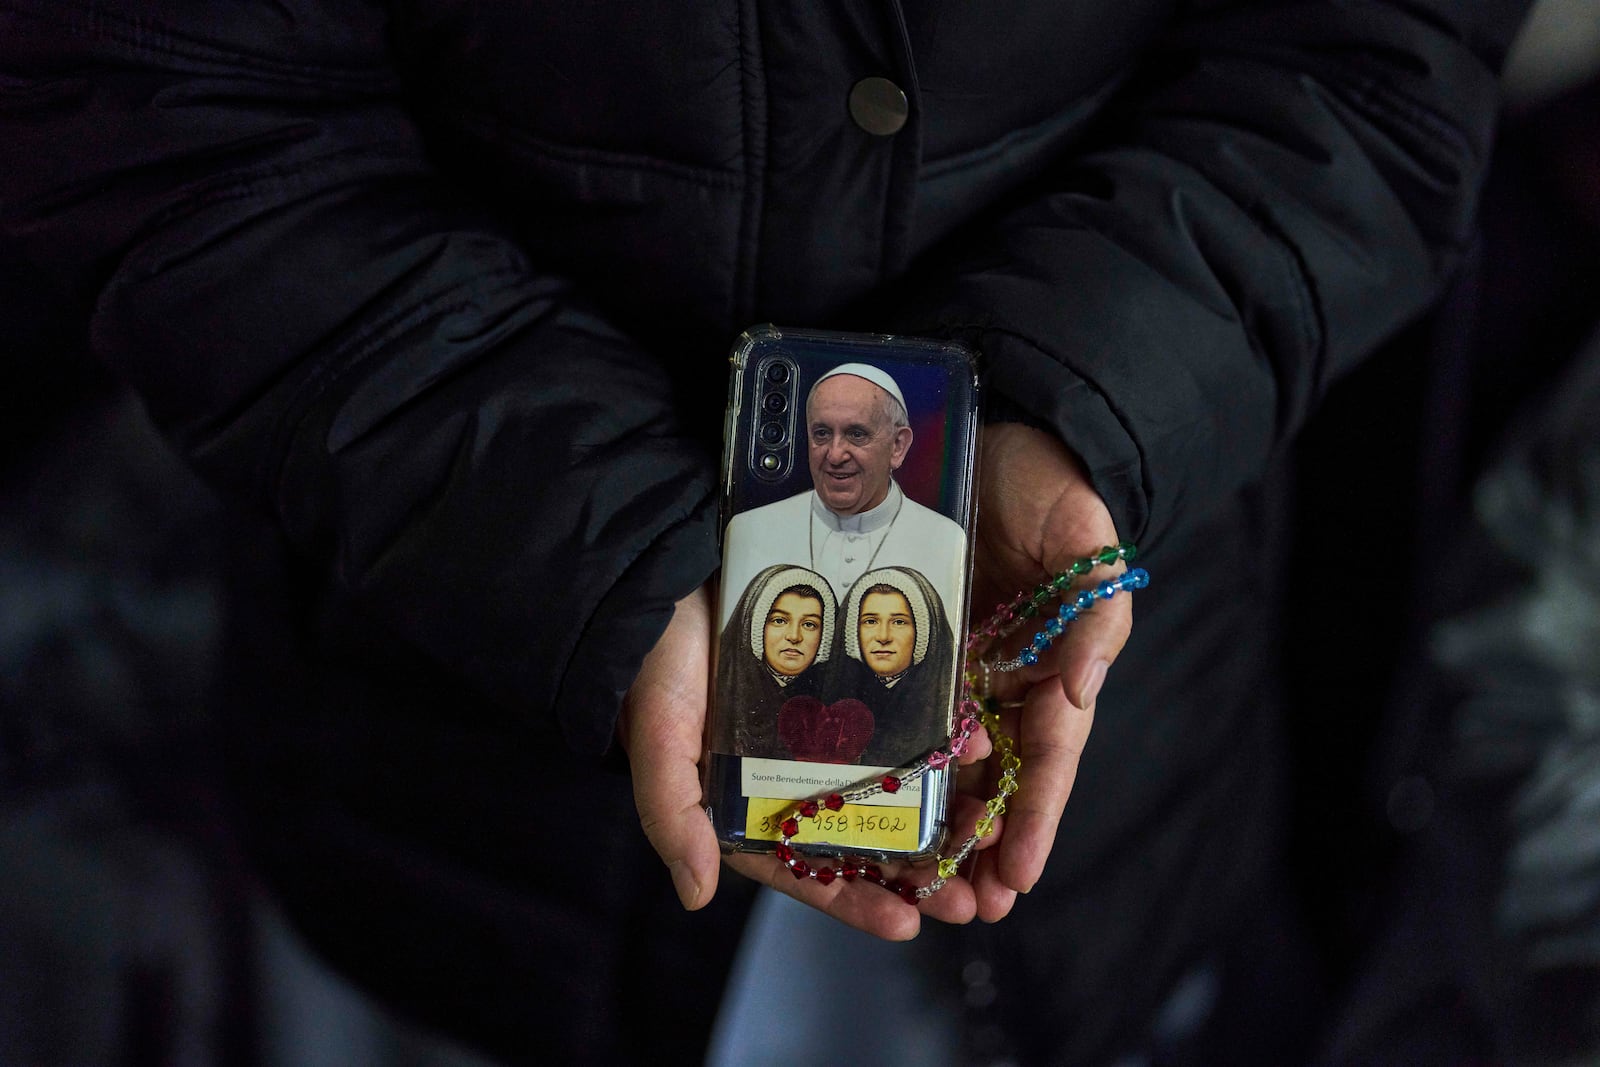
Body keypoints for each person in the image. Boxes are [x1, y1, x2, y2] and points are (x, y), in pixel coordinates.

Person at [0, 2, 1533, 1062]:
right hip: (453, 811)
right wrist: (600, 559)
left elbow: (1376, 57)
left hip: (1126, 780)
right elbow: (159, 113)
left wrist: (1087, 405)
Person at [719, 363, 967, 636]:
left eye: (856, 434)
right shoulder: (751, 530)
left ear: (898, 446)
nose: (835, 455)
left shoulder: (944, 540)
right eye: (822, 433)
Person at [711, 564, 838, 760]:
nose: (794, 636)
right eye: (779, 621)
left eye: (809, 624)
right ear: (755, 624)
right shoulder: (721, 693)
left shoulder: (835, 704)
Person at [839, 567, 958, 768]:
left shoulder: (938, 706)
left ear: (922, 631)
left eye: (899, 622)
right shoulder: (839, 696)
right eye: (870, 621)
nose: (883, 636)